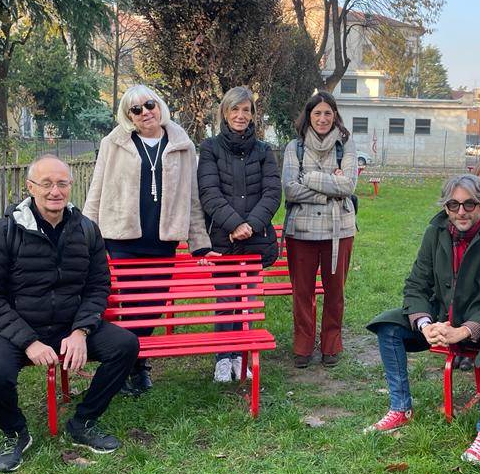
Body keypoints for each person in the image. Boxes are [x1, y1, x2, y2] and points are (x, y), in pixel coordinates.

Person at [0, 156, 139, 473]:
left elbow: (97, 287)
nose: (55, 191)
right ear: (31, 187)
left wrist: (81, 332)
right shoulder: (5, 231)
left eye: (62, 183)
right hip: (17, 328)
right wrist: (28, 342)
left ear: (70, 187)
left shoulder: (86, 230)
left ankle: (83, 422)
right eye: (46, 183)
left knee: (125, 346)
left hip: (68, 325)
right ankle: (15, 432)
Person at [364, 175, 480, 463]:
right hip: (442, 318)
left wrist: (465, 330)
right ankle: (400, 408)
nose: (460, 211)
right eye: (453, 204)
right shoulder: (436, 231)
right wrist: (426, 325)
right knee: (388, 325)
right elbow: (416, 284)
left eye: (469, 204)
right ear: (446, 206)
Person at [83, 85, 214, 395]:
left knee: (152, 308)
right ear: (128, 115)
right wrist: (86, 235)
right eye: (135, 109)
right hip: (121, 240)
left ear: (160, 106)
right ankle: (130, 365)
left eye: (149, 105)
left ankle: (134, 362)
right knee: (129, 308)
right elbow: (97, 189)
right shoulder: (113, 142)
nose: (144, 112)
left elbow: (191, 197)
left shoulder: (182, 144)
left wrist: (199, 242)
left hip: (162, 241)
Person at [197, 86, 282, 382]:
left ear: (253, 115)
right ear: (224, 112)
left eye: (246, 110)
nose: (240, 115)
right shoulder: (210, 148)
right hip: (223, 240)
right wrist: (234, 224)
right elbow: (209, 192)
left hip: (255, 240)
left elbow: (272, 192)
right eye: (235, 109)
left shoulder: (263, 151)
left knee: (246, 302)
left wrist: (251, 225)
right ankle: (224, 357)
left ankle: (241, 356)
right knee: (226, 300)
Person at [283, 91, 358, 368]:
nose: (323, 118)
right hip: (301, 231)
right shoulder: (295, 147)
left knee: (335, 291)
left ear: (335, 116)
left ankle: (331, 344)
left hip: (339, 231)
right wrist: (330, 189)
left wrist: (310, 178)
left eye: (328, 113)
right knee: (302, 292)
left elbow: (348, 186)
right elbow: (290, 189)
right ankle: (302, 346)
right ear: (309, 116)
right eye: (317, 113)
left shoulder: (346, 146)